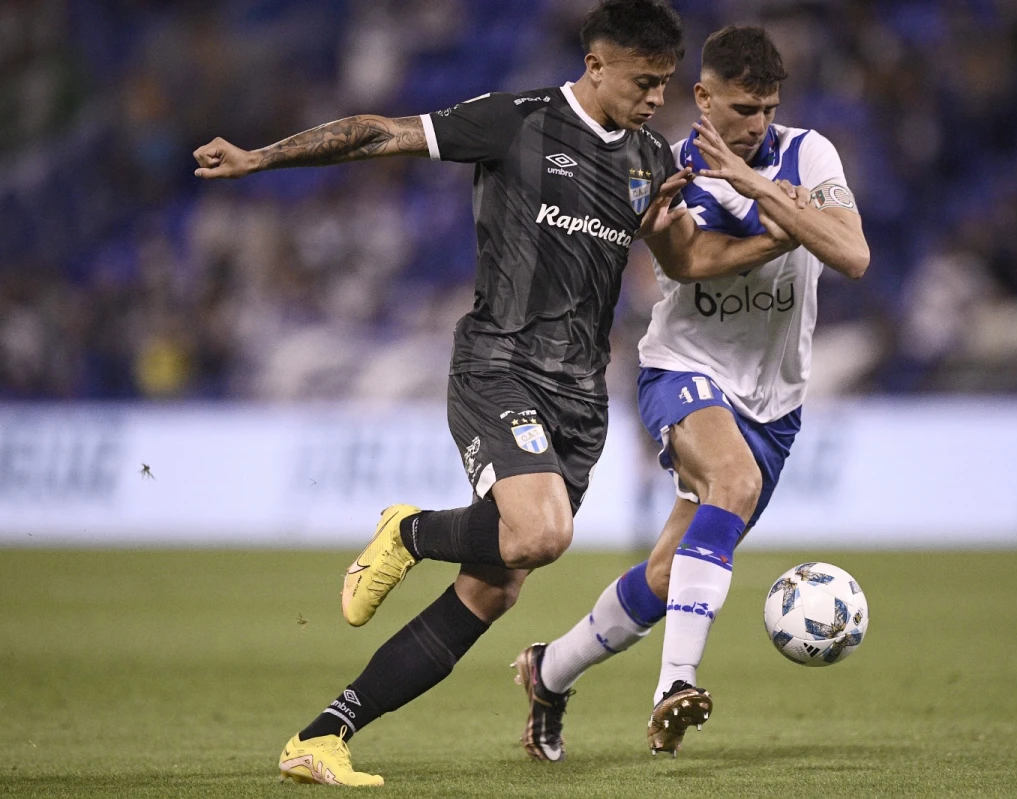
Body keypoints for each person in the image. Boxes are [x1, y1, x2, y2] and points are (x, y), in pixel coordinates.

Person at [194, 1, 809, 786]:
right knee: (539, 533)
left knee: (495, 586)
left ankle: (323, 735)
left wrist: (778, 236)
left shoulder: (653, 158)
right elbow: (382, 132)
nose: (658, 98)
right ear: (596, 65)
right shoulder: (515, 120)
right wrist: (259, 159)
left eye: (665, 83)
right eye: (643, 82)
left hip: (581, 398)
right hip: (500, 364)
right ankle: (411, 531)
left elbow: (684, 259)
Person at [513, 25, 870, 760]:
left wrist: (761, 188)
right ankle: (675, 683)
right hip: (683, 366)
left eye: (768, 107)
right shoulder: (663, 167)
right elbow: (687, 263)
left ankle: (548, 671)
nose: (758, 123)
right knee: (731, 480)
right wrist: (780, 227)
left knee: (672, 571)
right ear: (703, 98)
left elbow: (854, 254)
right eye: (743, 108)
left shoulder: (811, 153)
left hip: (775, 402)